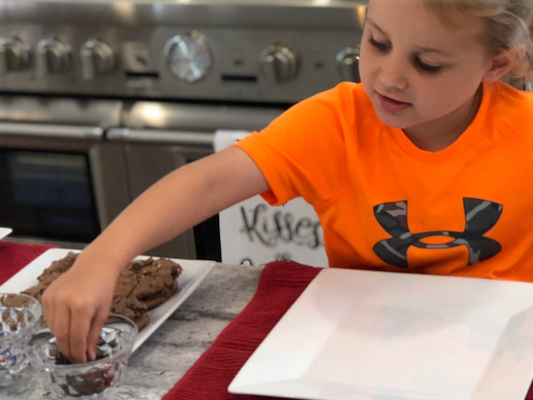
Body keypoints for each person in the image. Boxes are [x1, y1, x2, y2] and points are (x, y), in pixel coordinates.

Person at [43, 0, 533, 363]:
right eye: (377, 42)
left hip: (504, 350)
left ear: (496, 64)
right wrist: (101, 259)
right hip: (366, 349)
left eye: (426, 64)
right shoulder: (337, 124)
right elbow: (207, 184)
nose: (389, 76)